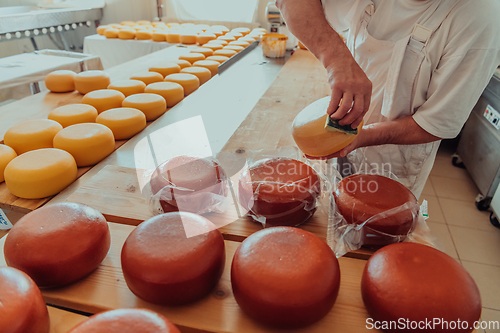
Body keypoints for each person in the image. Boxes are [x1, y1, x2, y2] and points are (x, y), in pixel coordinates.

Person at [276, 0, 500, 198]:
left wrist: (363, 137)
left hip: (393, 168)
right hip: (339, 136)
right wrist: (336, 60)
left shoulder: (480, 17)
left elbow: (437, 123)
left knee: (374, 238)